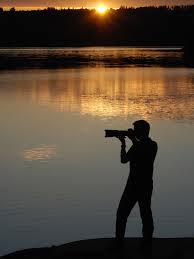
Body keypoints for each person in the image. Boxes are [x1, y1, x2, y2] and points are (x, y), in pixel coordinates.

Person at [116, 120, 158, 250]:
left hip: (144, 186)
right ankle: (119, 243)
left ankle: (147, 243)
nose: (134, 133)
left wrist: (133, 139)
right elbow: (124, 160)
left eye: (136, 130)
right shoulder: (136, 145)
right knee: (121, 214)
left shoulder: (152, 145)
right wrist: (123, 144)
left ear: (143, 131)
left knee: (145, 215)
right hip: (132, 185)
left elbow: (144, 152)